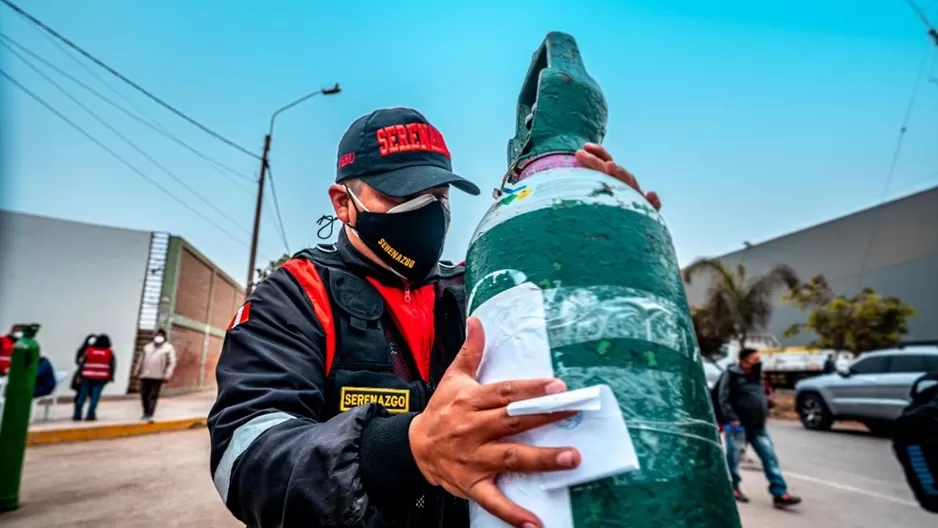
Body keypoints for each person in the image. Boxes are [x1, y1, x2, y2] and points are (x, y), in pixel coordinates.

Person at [208, 107, 661, 528]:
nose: (425, 213)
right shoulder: (296, 294)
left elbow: (583, 342)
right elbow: (245, 456)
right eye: (401, 196)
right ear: (343, 203)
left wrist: (610, 246)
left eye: (437, 195)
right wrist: (409, 449)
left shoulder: (478, 287)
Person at [719, 347, 802, 508]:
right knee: (733, 460)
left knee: (769, 457)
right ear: (744, 361)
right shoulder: (732, 375)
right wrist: (732, 418)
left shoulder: (757, 376)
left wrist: (766, 404)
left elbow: (760, 395)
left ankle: (779, 493)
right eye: (755, 359)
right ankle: (732, 488)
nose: (759, 362)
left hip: (757, 426)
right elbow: (723, 398)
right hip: (738, 427)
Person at [133, 329, 177, 421]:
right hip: (145, 375)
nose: (159, 337)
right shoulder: (147, 347)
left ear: (164, 337)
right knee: (144, 395)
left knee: (153, 396)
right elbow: (140, 360)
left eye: (161, 335)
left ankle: (150, 413)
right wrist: (136, 372)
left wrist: (167, 374)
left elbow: (171, 363)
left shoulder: (168, 348)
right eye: (157, 335)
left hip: (158, 376)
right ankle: (145, 412)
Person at [73, 333, 115, 421]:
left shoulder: (89, 350)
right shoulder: (109, 352)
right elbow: (112, 366)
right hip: (101, 378)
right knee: (95, 397)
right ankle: (90, 415)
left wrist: (79, 375)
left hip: (86, 376)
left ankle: (77, 415)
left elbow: (82, 364)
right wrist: (111, 377)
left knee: (82, 396)